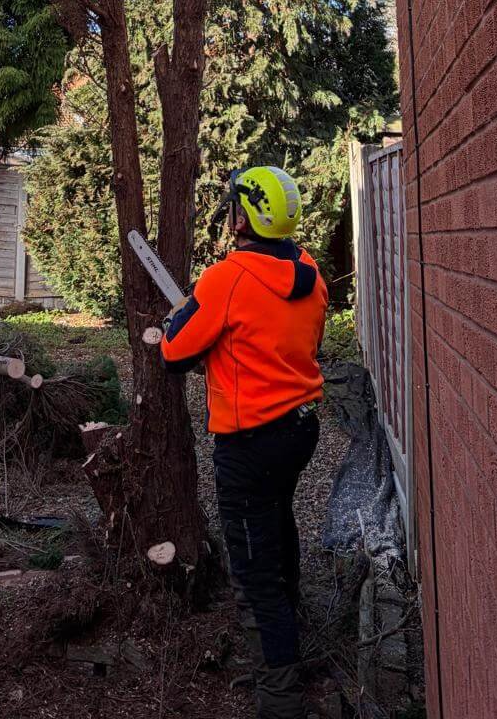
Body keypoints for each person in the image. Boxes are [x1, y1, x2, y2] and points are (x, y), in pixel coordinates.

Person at [161, 165, 328, 719]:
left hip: (250, 440)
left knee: (255, 573)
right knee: (278, 529)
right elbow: (278, 341)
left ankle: (281, 699)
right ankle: (292, 642)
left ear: (244, 217)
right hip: (300, 427)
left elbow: (175, 353)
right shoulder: (310, 272)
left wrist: (177, 322)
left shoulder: (226, 279)